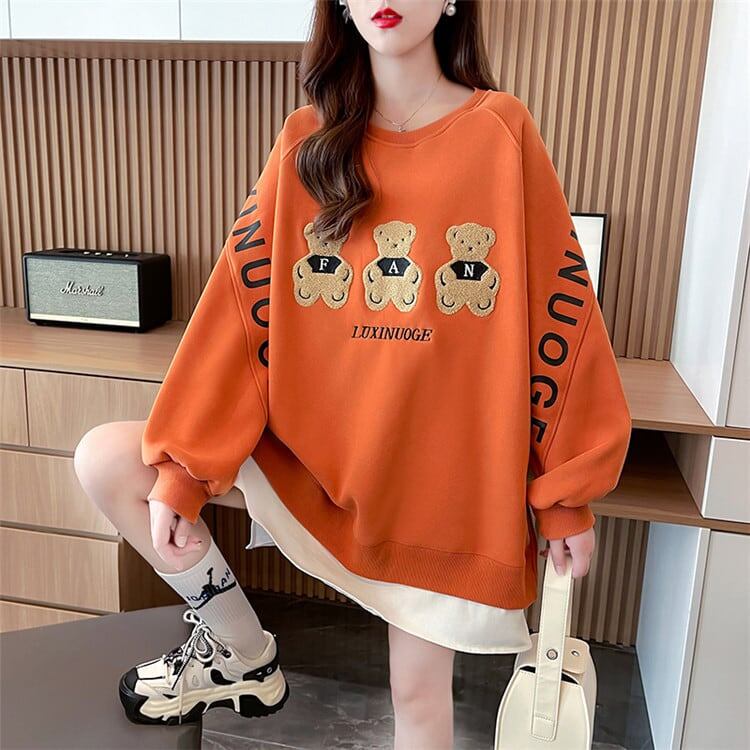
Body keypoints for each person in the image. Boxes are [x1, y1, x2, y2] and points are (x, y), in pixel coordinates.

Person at [73, 1, 632, 747]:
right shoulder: (307, 141)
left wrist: (564, 497)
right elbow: (242, 313)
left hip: (435, 492)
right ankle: (240, 652)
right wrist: (185, 469)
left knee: (419, 697)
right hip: (312, 460)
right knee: (107, 459)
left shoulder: (501, 133)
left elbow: (559, 318)